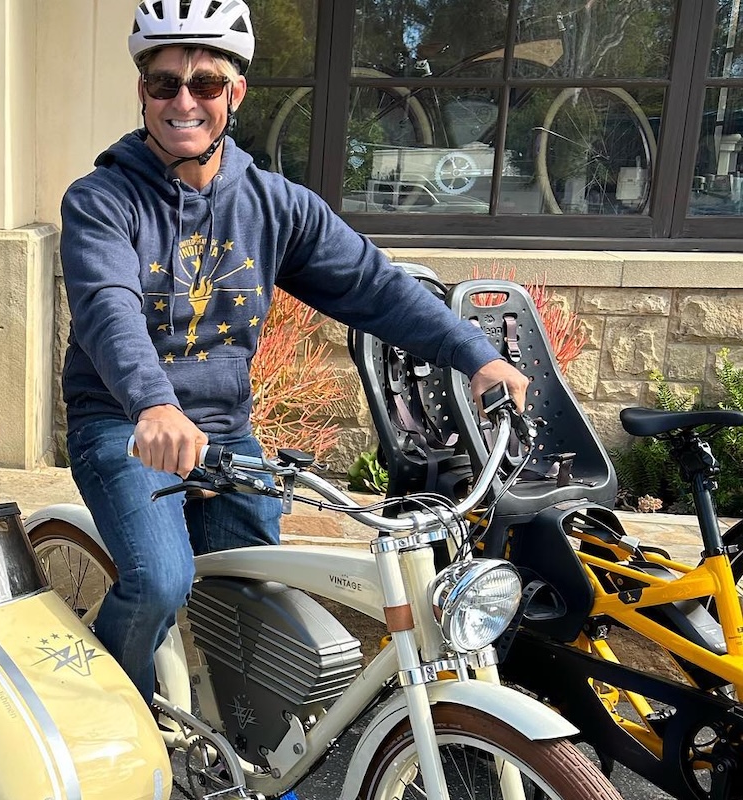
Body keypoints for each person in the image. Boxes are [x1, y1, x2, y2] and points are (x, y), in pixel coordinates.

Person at [59, 0, 528, 702]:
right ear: (143, 91)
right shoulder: (101, 200)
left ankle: (246, 742)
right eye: (164, 84)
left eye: (206, 85)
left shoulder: (277, 204)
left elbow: (374, 285)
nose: (183, 101)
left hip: (224, 430)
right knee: (161, 580)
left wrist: (476, 354)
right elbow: (108, 307)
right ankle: (108, 714)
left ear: (236, 94)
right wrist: (153, 403)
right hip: (125, 424)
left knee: (258, 594)